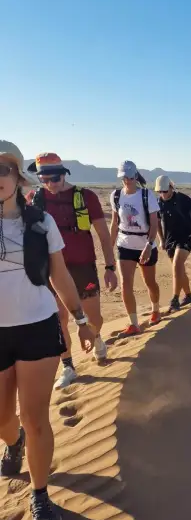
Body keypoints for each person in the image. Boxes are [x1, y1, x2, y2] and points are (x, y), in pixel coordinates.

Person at [0, 140, 95, 520]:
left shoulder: (40, 222)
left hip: (38, 327)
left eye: (2, 171)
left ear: (16, 176)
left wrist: (80, 319)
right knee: (3, 418)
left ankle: (40, 493)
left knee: (35, 417)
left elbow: (59, 275)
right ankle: (13, 440)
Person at [26, 153, 118, 389]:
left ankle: (96, 337)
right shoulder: (34, 199)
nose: (50, 184)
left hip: (83, 267)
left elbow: (103, 236)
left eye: (54, 178)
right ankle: (68, 366)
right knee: (59, 320)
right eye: (44, 179)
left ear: (64, 173)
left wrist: (110, 267)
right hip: (51, 270)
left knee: (93, 317)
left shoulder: (86, 196)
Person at [110, 161, 161, 336]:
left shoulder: (147, 195)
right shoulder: (116, 196)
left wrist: (148, 245)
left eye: (131, 176)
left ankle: (155, 310)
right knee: (125, 284)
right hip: (124, 245)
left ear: (136, 175)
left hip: (145, 245)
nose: (128, 180)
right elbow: (114, 223)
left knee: (150, 282)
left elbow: (154, 224)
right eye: (124, 177)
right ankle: (133, 323)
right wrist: (109, 247)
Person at [155, 175, 191, 313]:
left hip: (186, 237)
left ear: (171, 188)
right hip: (170, 240)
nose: (163, 194)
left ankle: (175, 300)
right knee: (179, 270)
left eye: (165, 191)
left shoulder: (182, 198)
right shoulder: (158, 202)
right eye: (160, 192)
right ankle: (188, 296)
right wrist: (161, 239)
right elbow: (157, 221)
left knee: (177, 265)